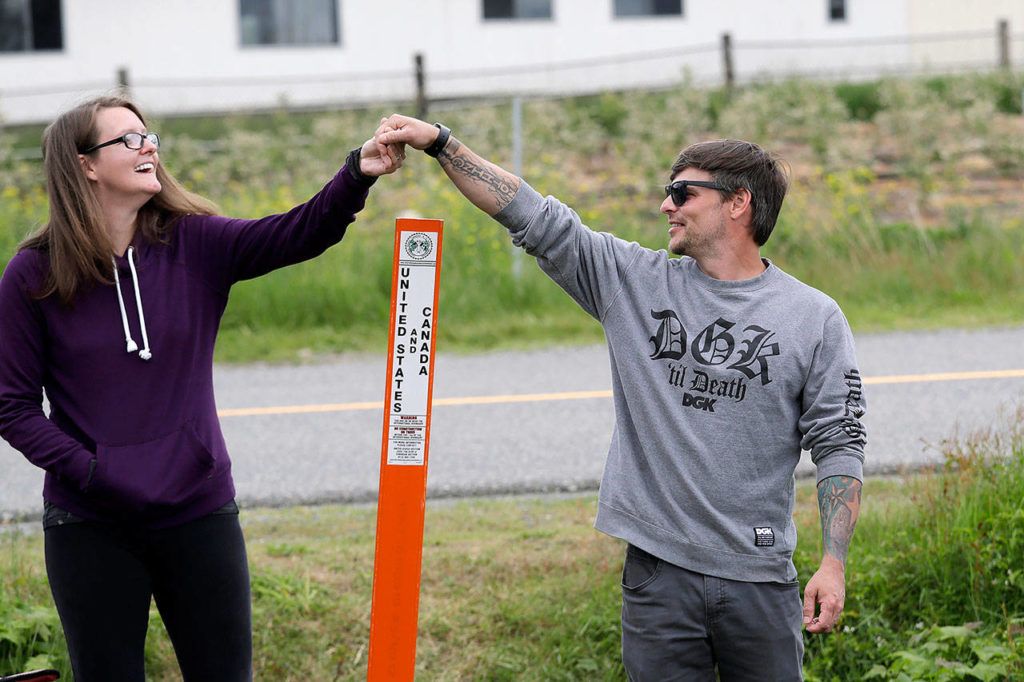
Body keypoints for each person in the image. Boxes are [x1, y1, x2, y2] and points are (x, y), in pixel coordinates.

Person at [375, 115, 866, 681]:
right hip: (659, 578)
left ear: (738, 204)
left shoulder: (814, 317)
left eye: (683, 192)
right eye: (667, 192)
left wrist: (833, 562)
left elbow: (839, 441)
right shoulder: (633, 281)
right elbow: (534, 216)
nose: (667, 206)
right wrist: (441, 144)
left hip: (760, 578)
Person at [0, 97, 403, 681]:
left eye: (149, 135)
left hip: (198, 509)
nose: (149, 147)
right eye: (128, 139)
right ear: (85, 164)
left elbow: (298, 232)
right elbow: (11, 406)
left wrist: (355, 174)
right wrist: (90, 472)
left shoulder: (194, 243)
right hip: (90, 522)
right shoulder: (32, 274)